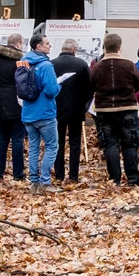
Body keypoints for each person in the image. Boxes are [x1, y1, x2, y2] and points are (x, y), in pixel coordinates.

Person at [90, 32, 139, 186]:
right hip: (127, 108)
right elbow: (138, 85)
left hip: (104, 110)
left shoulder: (97, 67)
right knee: (130, 144)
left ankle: (115, 179)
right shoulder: (129, 65)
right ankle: (133, 178)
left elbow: (92, 85)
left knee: (110, 145)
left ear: (105, 48)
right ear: (120, 47)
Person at [16, 34, 63, 189]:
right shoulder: (46, 66)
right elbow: (51, 90)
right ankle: (45, 181)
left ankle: (34, 181)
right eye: (47, 43)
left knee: (34, 147)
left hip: (28, 112)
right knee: (52, 145)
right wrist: (59, 86)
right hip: (45, 112)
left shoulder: (24, 63)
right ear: (38, 46)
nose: (50, 46)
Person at [52, 35, 93, 184]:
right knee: (75, 143)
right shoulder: (81, 64)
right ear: (74, 49)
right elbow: (89, 87)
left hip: (56, 109)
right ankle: (73, 175)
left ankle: (59, 174)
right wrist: (83, 104)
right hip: (76, 109)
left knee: (58, 143)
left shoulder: (52, 64)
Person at [0, 38, 26, 178]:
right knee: (17, 138)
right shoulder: (19, 61)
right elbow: (23, 81)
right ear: (17, 44)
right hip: (16, 103)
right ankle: (18, 173)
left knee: (2, 138)